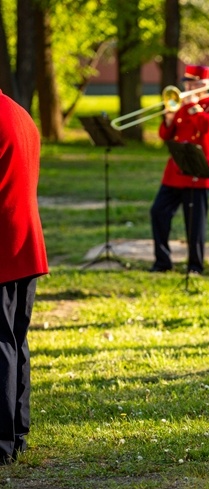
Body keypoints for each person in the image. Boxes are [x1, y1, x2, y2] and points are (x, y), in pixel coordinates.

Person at [0, 89, 48, 464]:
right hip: (26, 242)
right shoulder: (20, 114)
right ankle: (17, 433)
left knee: (1, 342)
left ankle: (1, 442)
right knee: (16, 339)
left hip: (3, 243)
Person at [150, 64, 209, 274]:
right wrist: (168, 118)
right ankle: (162, 261)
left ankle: (195, 265)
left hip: (197, 173)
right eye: (187, 82)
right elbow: (165, 136)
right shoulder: (179, 106)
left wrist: (193, 108)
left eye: (194, 83)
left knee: (195, 223)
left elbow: (208, 128)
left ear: (205, 85)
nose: (189, 86)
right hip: (174, 171)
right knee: (158, 212)